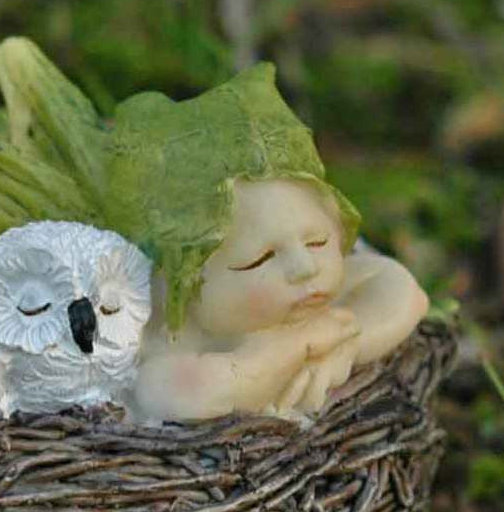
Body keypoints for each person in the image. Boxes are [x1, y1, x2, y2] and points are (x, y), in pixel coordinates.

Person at [131, 176, 429, 422]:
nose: (305, 267)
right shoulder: (173, 334)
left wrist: (347, 340)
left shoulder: (317, 304)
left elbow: (404, 289)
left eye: (317, 242)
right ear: (186, 285)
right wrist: (298, 346)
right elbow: (179, 396)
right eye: (260, 259)